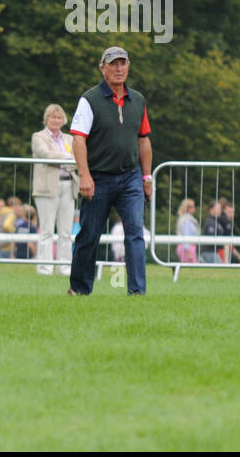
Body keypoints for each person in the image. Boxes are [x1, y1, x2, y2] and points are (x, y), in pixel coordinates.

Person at [68, 46, 152, 296]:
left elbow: (144, 140)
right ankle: (79, 289)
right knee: (89, 234)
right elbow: (78, 139)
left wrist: (147, 177)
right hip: (99, 177)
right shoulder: (90, 99)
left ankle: (137, 292)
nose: (118, 68)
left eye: (123, 63)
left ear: (128, 66)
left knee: (135, 232)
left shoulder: (138, 100)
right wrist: (85, 175)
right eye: (113, 64)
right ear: (102, 68)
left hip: (131, 177)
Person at [31, 103, 78, 274]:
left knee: (66, 231)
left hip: (68, 184)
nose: (56, 120)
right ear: (46, 119)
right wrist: (67, 157)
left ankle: (65, 268)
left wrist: (68, 157)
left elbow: (77, 156)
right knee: (47, 230)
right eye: (53, 117)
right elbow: (45, 154)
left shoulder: (69, 139)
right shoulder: (38, 136)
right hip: (47, 187)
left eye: (59, 117)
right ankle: (44, 268)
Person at [175, 198, 199, 264]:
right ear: (186, 208)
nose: (194, 208)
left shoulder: (186, 219)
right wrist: (188, 251)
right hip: (187, 248)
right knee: (192, 269)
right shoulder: (186, 220)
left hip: (187, 247)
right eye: (191, 206)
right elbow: (186, 235)